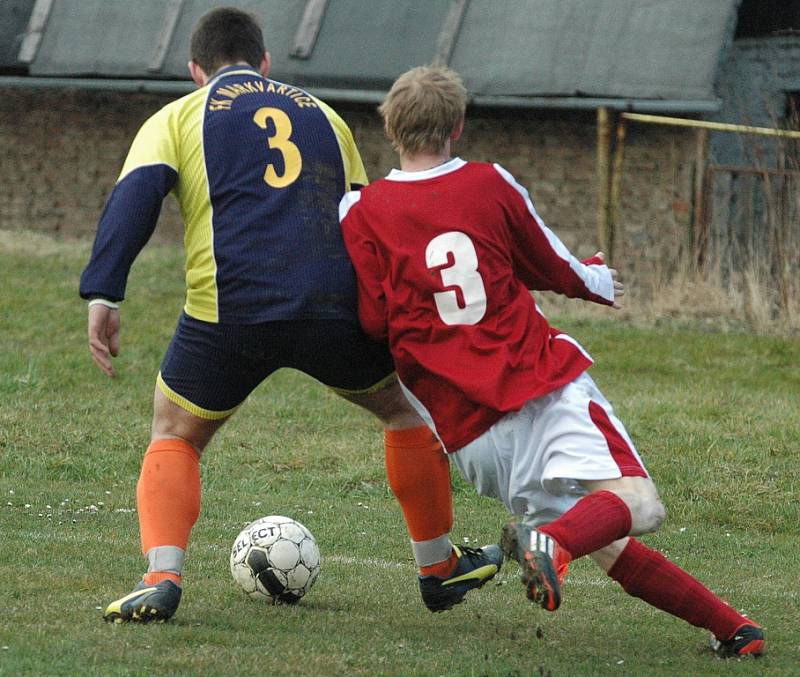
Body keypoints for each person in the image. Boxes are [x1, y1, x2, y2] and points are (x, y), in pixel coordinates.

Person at [80, 8, 502, 623]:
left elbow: (134, 201)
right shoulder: (325, 118)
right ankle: (438, 568)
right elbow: (365, 223)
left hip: (229, 315)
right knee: (408, 412)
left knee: (174, 433)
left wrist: (105, 293)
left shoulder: (178, 117)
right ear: (267, 62)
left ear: (195, 70)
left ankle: (162, 577)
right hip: (331, 308)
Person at [338, 64, 765, 658]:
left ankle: (732, 629)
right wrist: (599, 281)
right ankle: (548, 544)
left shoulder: (361, 211)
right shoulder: (488, 183)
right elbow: (549, 263)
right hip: (536, 387)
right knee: (639, 505)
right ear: (458, 126)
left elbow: (372, 321)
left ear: (389, 127)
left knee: (601, 533)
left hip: (471, 441)